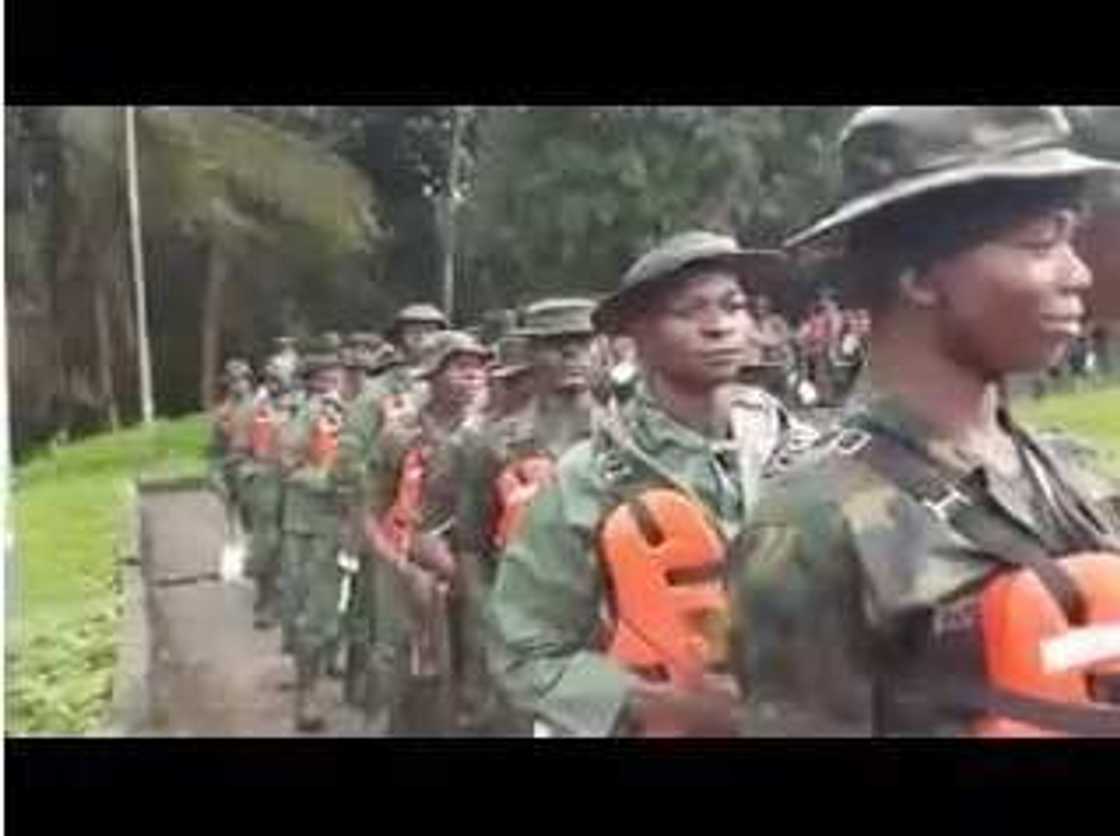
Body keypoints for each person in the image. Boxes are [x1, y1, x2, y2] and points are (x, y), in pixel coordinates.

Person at [731, 106, 1120, 737]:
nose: (1078, 274)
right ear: (917, 276)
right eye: (1041, 242)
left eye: (1073, 240)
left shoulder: (1072, 473)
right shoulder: (811, 528)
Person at [486, 231, 816, 737]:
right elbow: (524, 651)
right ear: (637, 334)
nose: (719, 326)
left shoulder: (803, 453)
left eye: (734, 306)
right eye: (690, 311)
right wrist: (654, 704)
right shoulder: (589, 479)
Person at [453, 298, 599, 731]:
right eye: (557, 345)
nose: (572, 356)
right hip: (522, 626)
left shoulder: (624, 438)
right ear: (532, 355)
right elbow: (469, 546)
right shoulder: (493, 445)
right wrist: (489, 623)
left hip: (606, 628)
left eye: (582, 344)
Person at [364, 330, 491, 734]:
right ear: (431, 375)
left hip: (477, 570)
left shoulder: (492, 434)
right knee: (410, 676)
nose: (473, 376)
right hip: (409, 567)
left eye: (478, 368)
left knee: (478, 676)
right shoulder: (399, 435)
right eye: (460, 367)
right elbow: (368, 511)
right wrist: (400, 567)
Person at [276, 337, 347, 732]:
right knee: (314, 613)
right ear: (311, 383)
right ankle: (308, 694)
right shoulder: (302, 417)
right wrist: (327, 483)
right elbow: (287, 465)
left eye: (336, 375)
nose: (332, 382)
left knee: (356, 612)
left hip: (360, 525)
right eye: (324, 377)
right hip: (313, 526)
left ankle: (345, 673)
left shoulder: (361, 410)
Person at [242, 356, 300, 629]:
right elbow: (242, 446)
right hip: (265, 477)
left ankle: (287, 601)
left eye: (279, 375)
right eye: (270, 376)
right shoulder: (257, 406)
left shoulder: (303, 406)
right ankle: (265, 601)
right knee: (266, 542)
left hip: (296, 479)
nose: (273, 381)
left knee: (294, 544)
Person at [208, 358, 256, 581]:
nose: (238, 385)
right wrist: (214, 474)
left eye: (242, 379)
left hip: (254, 467)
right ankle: (234, 563)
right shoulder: (222, 412)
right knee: (232, 518)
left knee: (254, 518)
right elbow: (215, 448)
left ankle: (255, 561)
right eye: (233, 381)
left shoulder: (259, 407)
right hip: (230, 467)